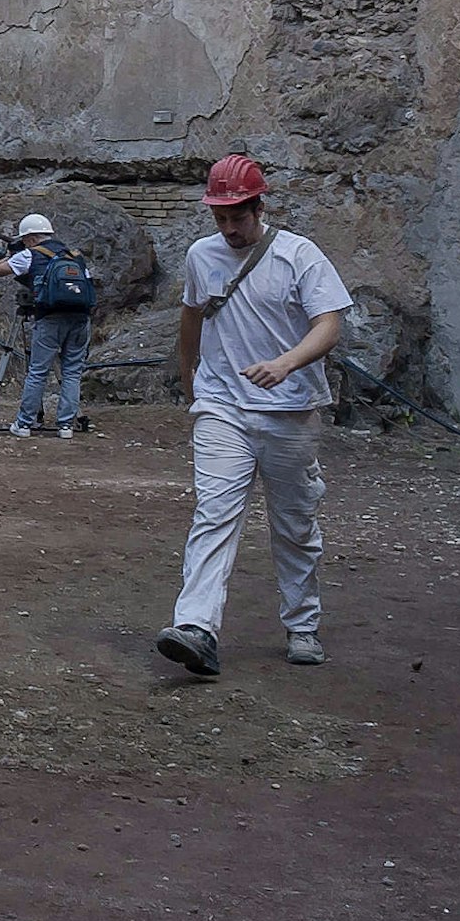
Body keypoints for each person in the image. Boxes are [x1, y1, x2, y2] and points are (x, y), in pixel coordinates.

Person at [155, 155, 350, 680]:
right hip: (223, 408)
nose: (228, 228)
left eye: (236, 217)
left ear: (258, 206)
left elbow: (329, 323)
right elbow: (192, 314)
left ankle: (302, 624)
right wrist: (189, 375)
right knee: (213, 514)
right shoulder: (201, 256)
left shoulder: (297, 256)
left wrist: (286, 364)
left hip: (289, 411)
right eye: (219, 218)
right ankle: (196, 627)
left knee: (294, 522)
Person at [1, 211, 95, 439]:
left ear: (31, 238)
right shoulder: (74, 255)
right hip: (80, 319)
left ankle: (24, 424)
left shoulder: (31, 254)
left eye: (24, 240)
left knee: (38, 372)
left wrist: (10, 255)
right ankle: (66, 427)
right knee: (72, 373)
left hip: (50, 318)